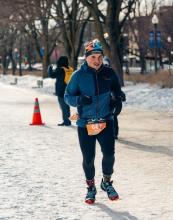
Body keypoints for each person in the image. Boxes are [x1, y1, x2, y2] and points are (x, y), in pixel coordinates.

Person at [64, 39, 123, 204]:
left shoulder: (109, 73)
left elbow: (117, 91)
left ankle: (106, 182)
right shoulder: (78, 76)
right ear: (86, 58)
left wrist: (118, 100)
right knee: (88, 158)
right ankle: (91, 187)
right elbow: (67, 97)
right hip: (85, 123)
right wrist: (80, 100)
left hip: (105, 121)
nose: (97, 61)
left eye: (99, 57)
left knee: (109, 155)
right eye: (93, 57)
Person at [103, 56, 126, 139]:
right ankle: (111, 133)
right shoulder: (102, 73)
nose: (105, 66)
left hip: (114, 100)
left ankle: (114, 133)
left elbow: (116, 87)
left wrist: (120, 95)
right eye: (104, 64)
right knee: (110, 117)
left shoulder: (110, 73)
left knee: (112, 116)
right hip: (109, 100)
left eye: (106, 64)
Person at [48, 56, 73, 126]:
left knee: (63, 106)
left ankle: (66, 121)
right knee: (67, 106)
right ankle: (68, 119)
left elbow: (52, 75)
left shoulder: (60, 70)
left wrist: (50, 68)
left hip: (61, 91)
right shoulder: (70, 69)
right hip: (69, 90)